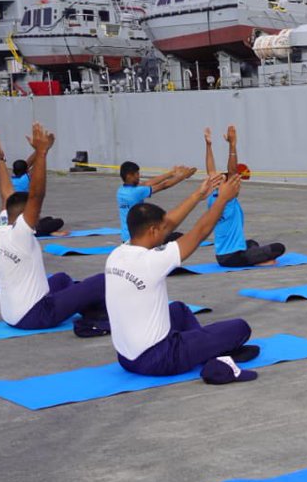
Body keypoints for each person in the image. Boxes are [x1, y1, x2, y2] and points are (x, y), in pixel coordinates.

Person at [106, 172, 258, 379]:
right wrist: (222, 199)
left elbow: (167, 223)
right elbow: (200, 231)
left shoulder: (118, 254)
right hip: (159, 359)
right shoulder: (151, 261)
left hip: (126, 358)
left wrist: (198, 195)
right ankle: (212, 356)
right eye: (162, 229)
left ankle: (206, 352)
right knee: (239, 328)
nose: (166, 231)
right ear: (152, 230)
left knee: (178, 310)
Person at [0, 123, 107, 333]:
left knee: (62, 279)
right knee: (102, 282)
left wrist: (0, 159)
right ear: (25, 214)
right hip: (35, 315)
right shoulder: (20, 233)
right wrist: (42, 153)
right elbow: (37, 195)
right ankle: (99, 314)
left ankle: (85, 305)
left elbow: (6, 194)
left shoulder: (1, 226)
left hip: (10, 314)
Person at [203, 125, 285, 267]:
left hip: (222, 256)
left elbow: (211, 171)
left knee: (252, 243)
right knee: (279, 248)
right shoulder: (227, 199)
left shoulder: (213, 197)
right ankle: (257, 261)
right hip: (232, 257)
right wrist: (232, 145)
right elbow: (233, 171)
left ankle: (256, 258)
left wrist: (208, 145)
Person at [117, 160, 195, 242]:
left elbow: (147, 183)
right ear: (129, 176)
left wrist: (172, 173)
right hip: (139, 239)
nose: (139, 176)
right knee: (179, 237)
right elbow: (164, 185)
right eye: (137, 174)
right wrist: (183, 176)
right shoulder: (136, 192)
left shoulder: (121, 191)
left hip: (126, 238)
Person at [7, 151, 66, 236]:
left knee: (49, 219)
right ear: (27, 169)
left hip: (16, 218)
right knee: (59, 222)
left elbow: (28, 164)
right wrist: (41, 150)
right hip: (27, 223)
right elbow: (36, 165)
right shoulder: (26, 178)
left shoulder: (11, 181)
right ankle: (47, 232)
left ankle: (43, 230)